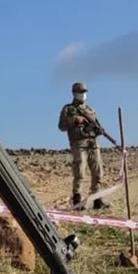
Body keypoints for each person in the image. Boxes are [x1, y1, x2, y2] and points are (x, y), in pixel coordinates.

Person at [57, 82, 105, 210]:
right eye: (80, 92)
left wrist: (98, 131)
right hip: (79, 144)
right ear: (74, 93)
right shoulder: (68, 109)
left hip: (92, 143)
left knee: (98, 172)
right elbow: (61, 126)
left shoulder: (90, 110)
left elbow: (98, 126)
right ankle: (77, 200)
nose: (83, 95)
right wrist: (74, 120)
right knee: (80, 171)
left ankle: (97, 199)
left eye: (84, 92)